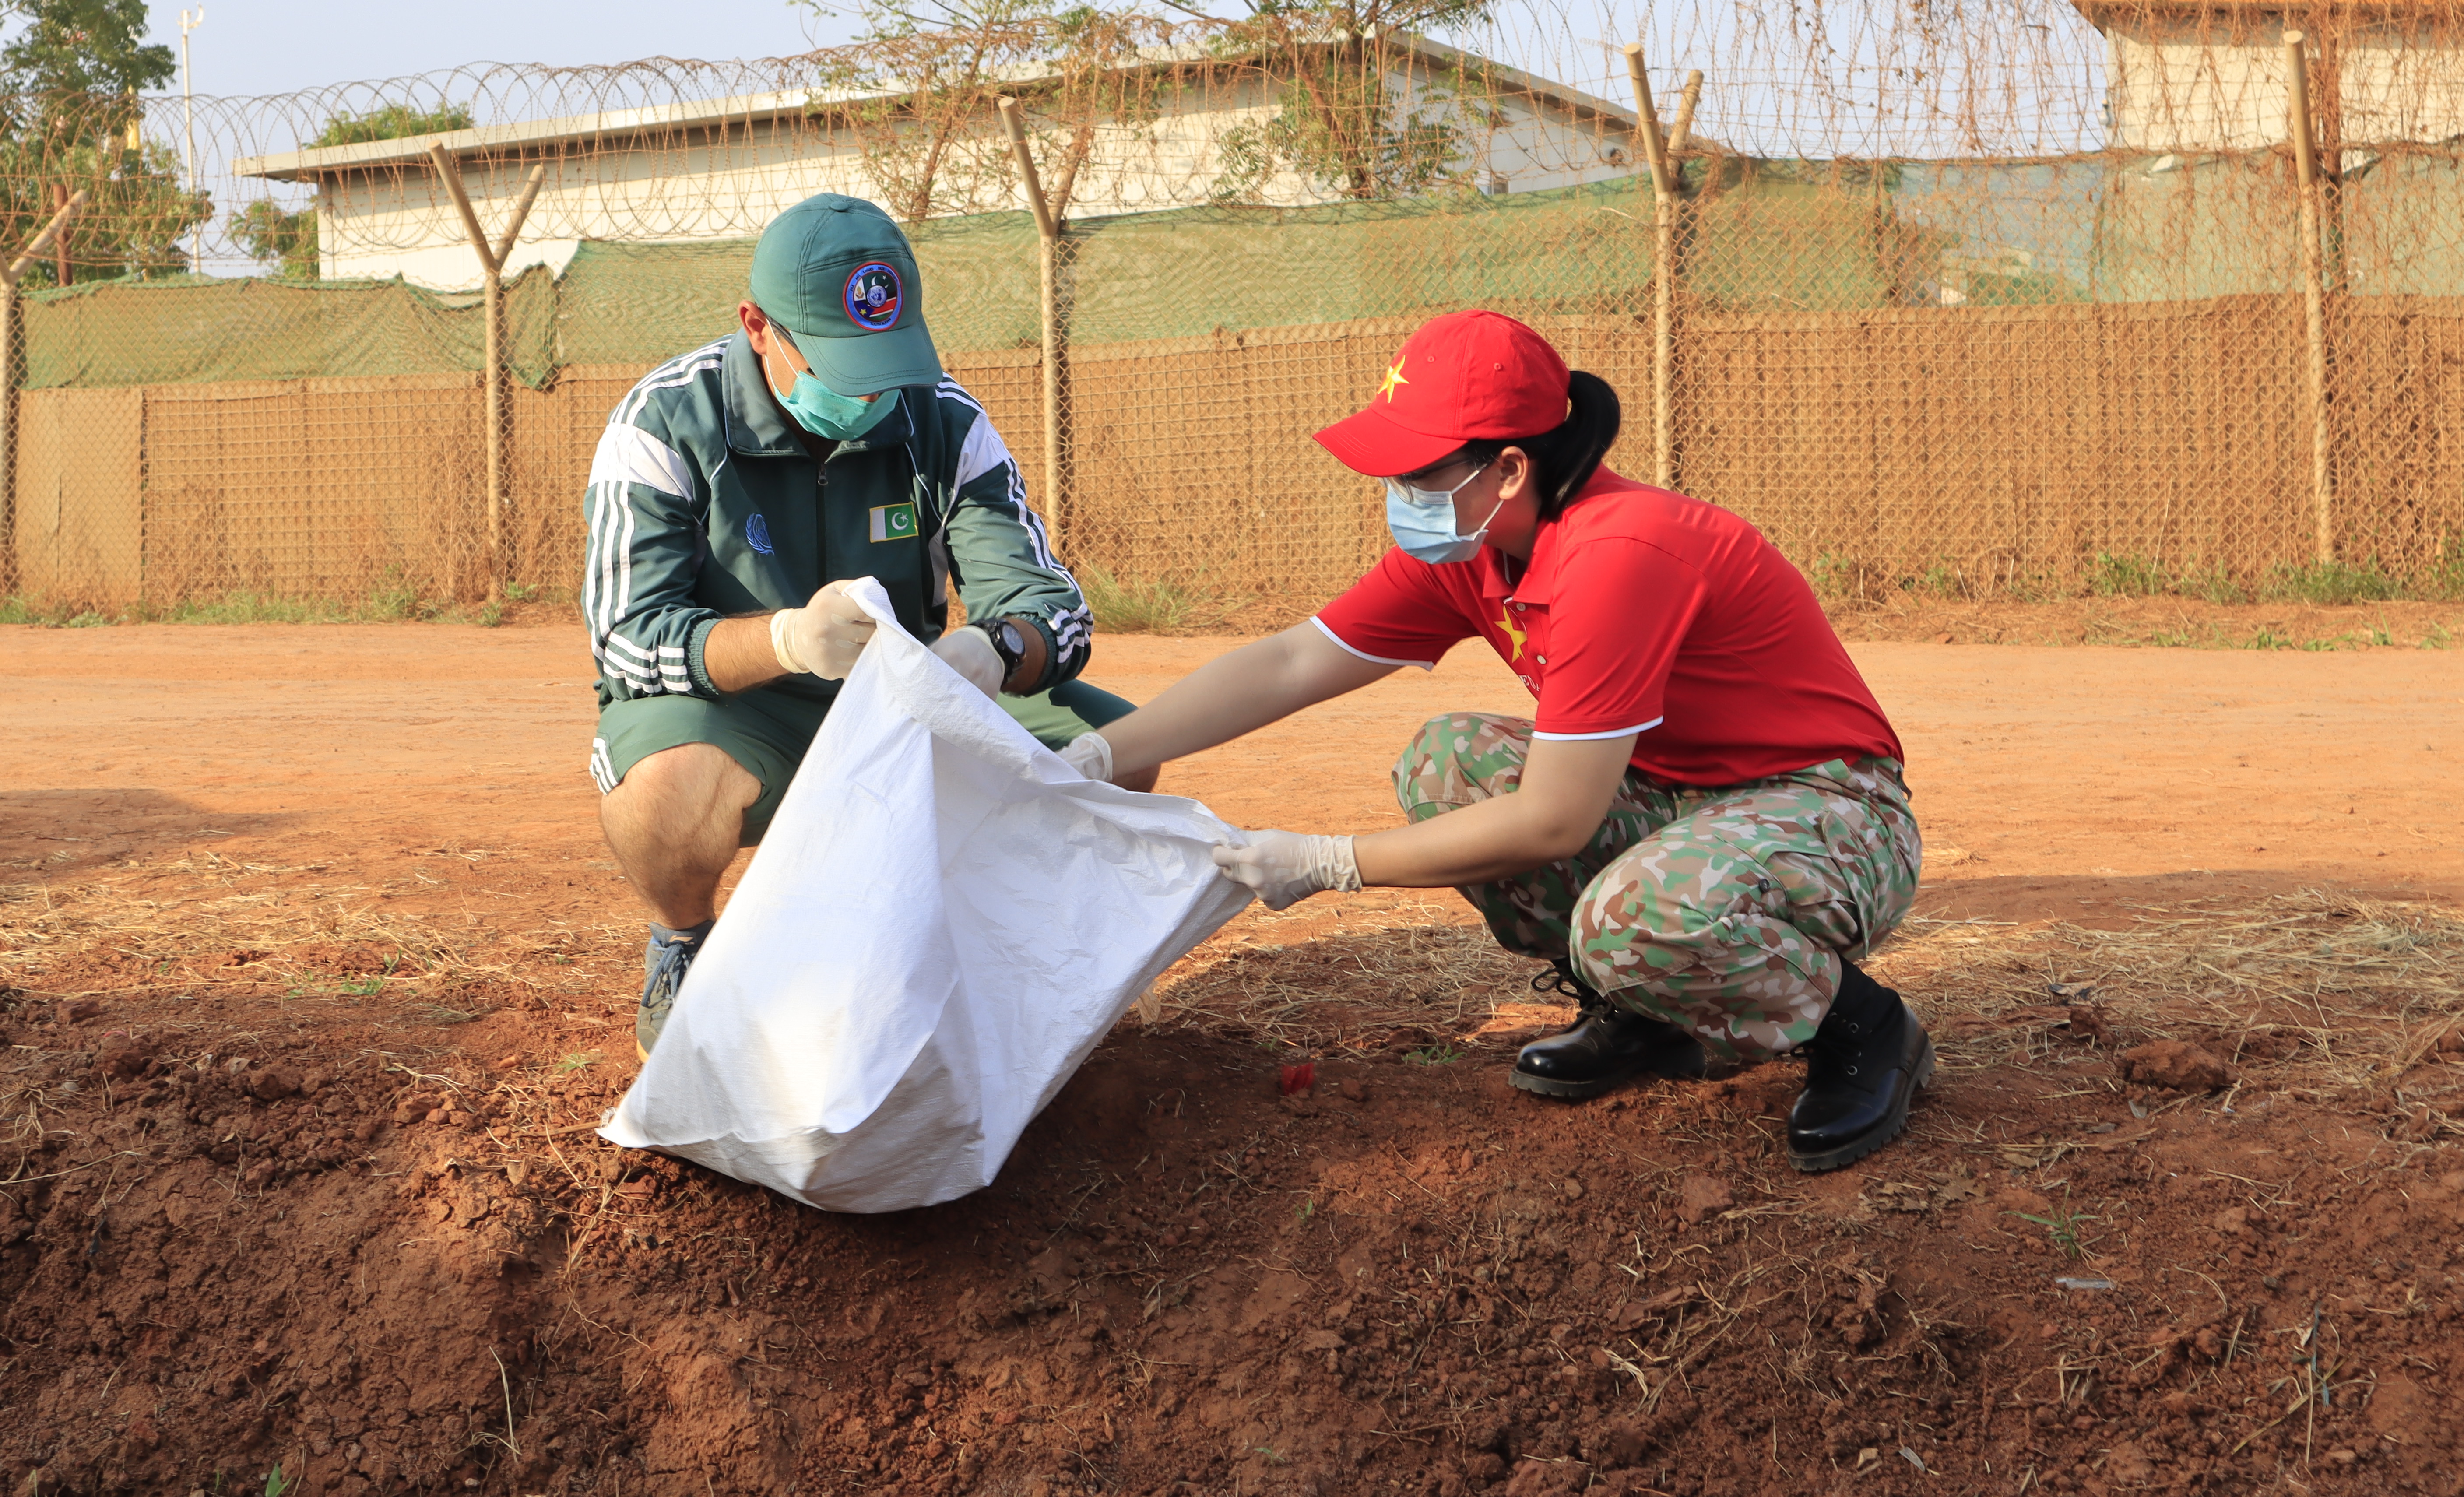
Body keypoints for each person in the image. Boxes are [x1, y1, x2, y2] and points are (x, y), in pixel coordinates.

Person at [1066, 310, 1930, 1172]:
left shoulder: (1618, 553)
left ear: (1509, 468)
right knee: (1453, 760)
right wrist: (1105, 751)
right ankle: (1641, 1011)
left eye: (1417, 471)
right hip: (1673, 795)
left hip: (1827, 806)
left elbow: (1556, 818)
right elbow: (1294, 660)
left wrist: (1332, 860)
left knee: (1635, 920)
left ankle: (1863, 1026)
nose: (1399, 491)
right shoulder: (1471, 550)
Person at [582, 193, 1156, 1058]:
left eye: (885, 361)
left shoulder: (942, 417)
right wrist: (782, 640)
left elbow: (1057, 613)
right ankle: (687, 945)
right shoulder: (665, 422)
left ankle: (983, 951)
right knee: (664, 796)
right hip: (745, 712)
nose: (870, 392)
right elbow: (628, 637)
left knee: (1124, 755)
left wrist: (996, 649)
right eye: (841, 364)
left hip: (905, 702)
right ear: (758, 326)